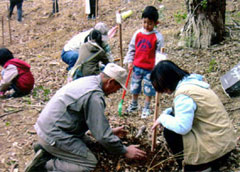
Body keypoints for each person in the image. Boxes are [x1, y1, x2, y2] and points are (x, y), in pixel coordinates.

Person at [24, 63, 146, 172]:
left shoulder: (89, 80)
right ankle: (46, 165)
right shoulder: (94, 96)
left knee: (91, 145)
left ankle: (46, 149)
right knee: (89, 163)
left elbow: (89, 122)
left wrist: (110, 132)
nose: (115, 92)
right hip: (54, 134)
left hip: (50, 128)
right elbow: (102, 136)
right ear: (111, 81)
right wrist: (124, 150)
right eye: (117, 88)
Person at [150, 60, 237, 171]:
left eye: (163, 88)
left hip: (216, 151)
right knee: (171, 117)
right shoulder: (194, 84)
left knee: (170, 131)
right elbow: (187, 110)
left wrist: (163, 119)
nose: (164, 92)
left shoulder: (184, 95)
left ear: (167, 82)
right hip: (225, 143)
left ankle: (199, 167)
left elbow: (183, 127)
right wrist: (167, 114)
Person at [124, 6, 164, 118]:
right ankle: (134, 104)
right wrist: (130, 61)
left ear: (156, 23)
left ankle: (146, 107)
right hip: (137, 66)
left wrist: (158, 67)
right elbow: (132, 48)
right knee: (135, 86)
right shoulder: (137, 34)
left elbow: (160, 54)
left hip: (150, 69)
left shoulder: (158, 37)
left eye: (150, 23)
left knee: (148, 88)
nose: (146, 25)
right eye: (144, 22)